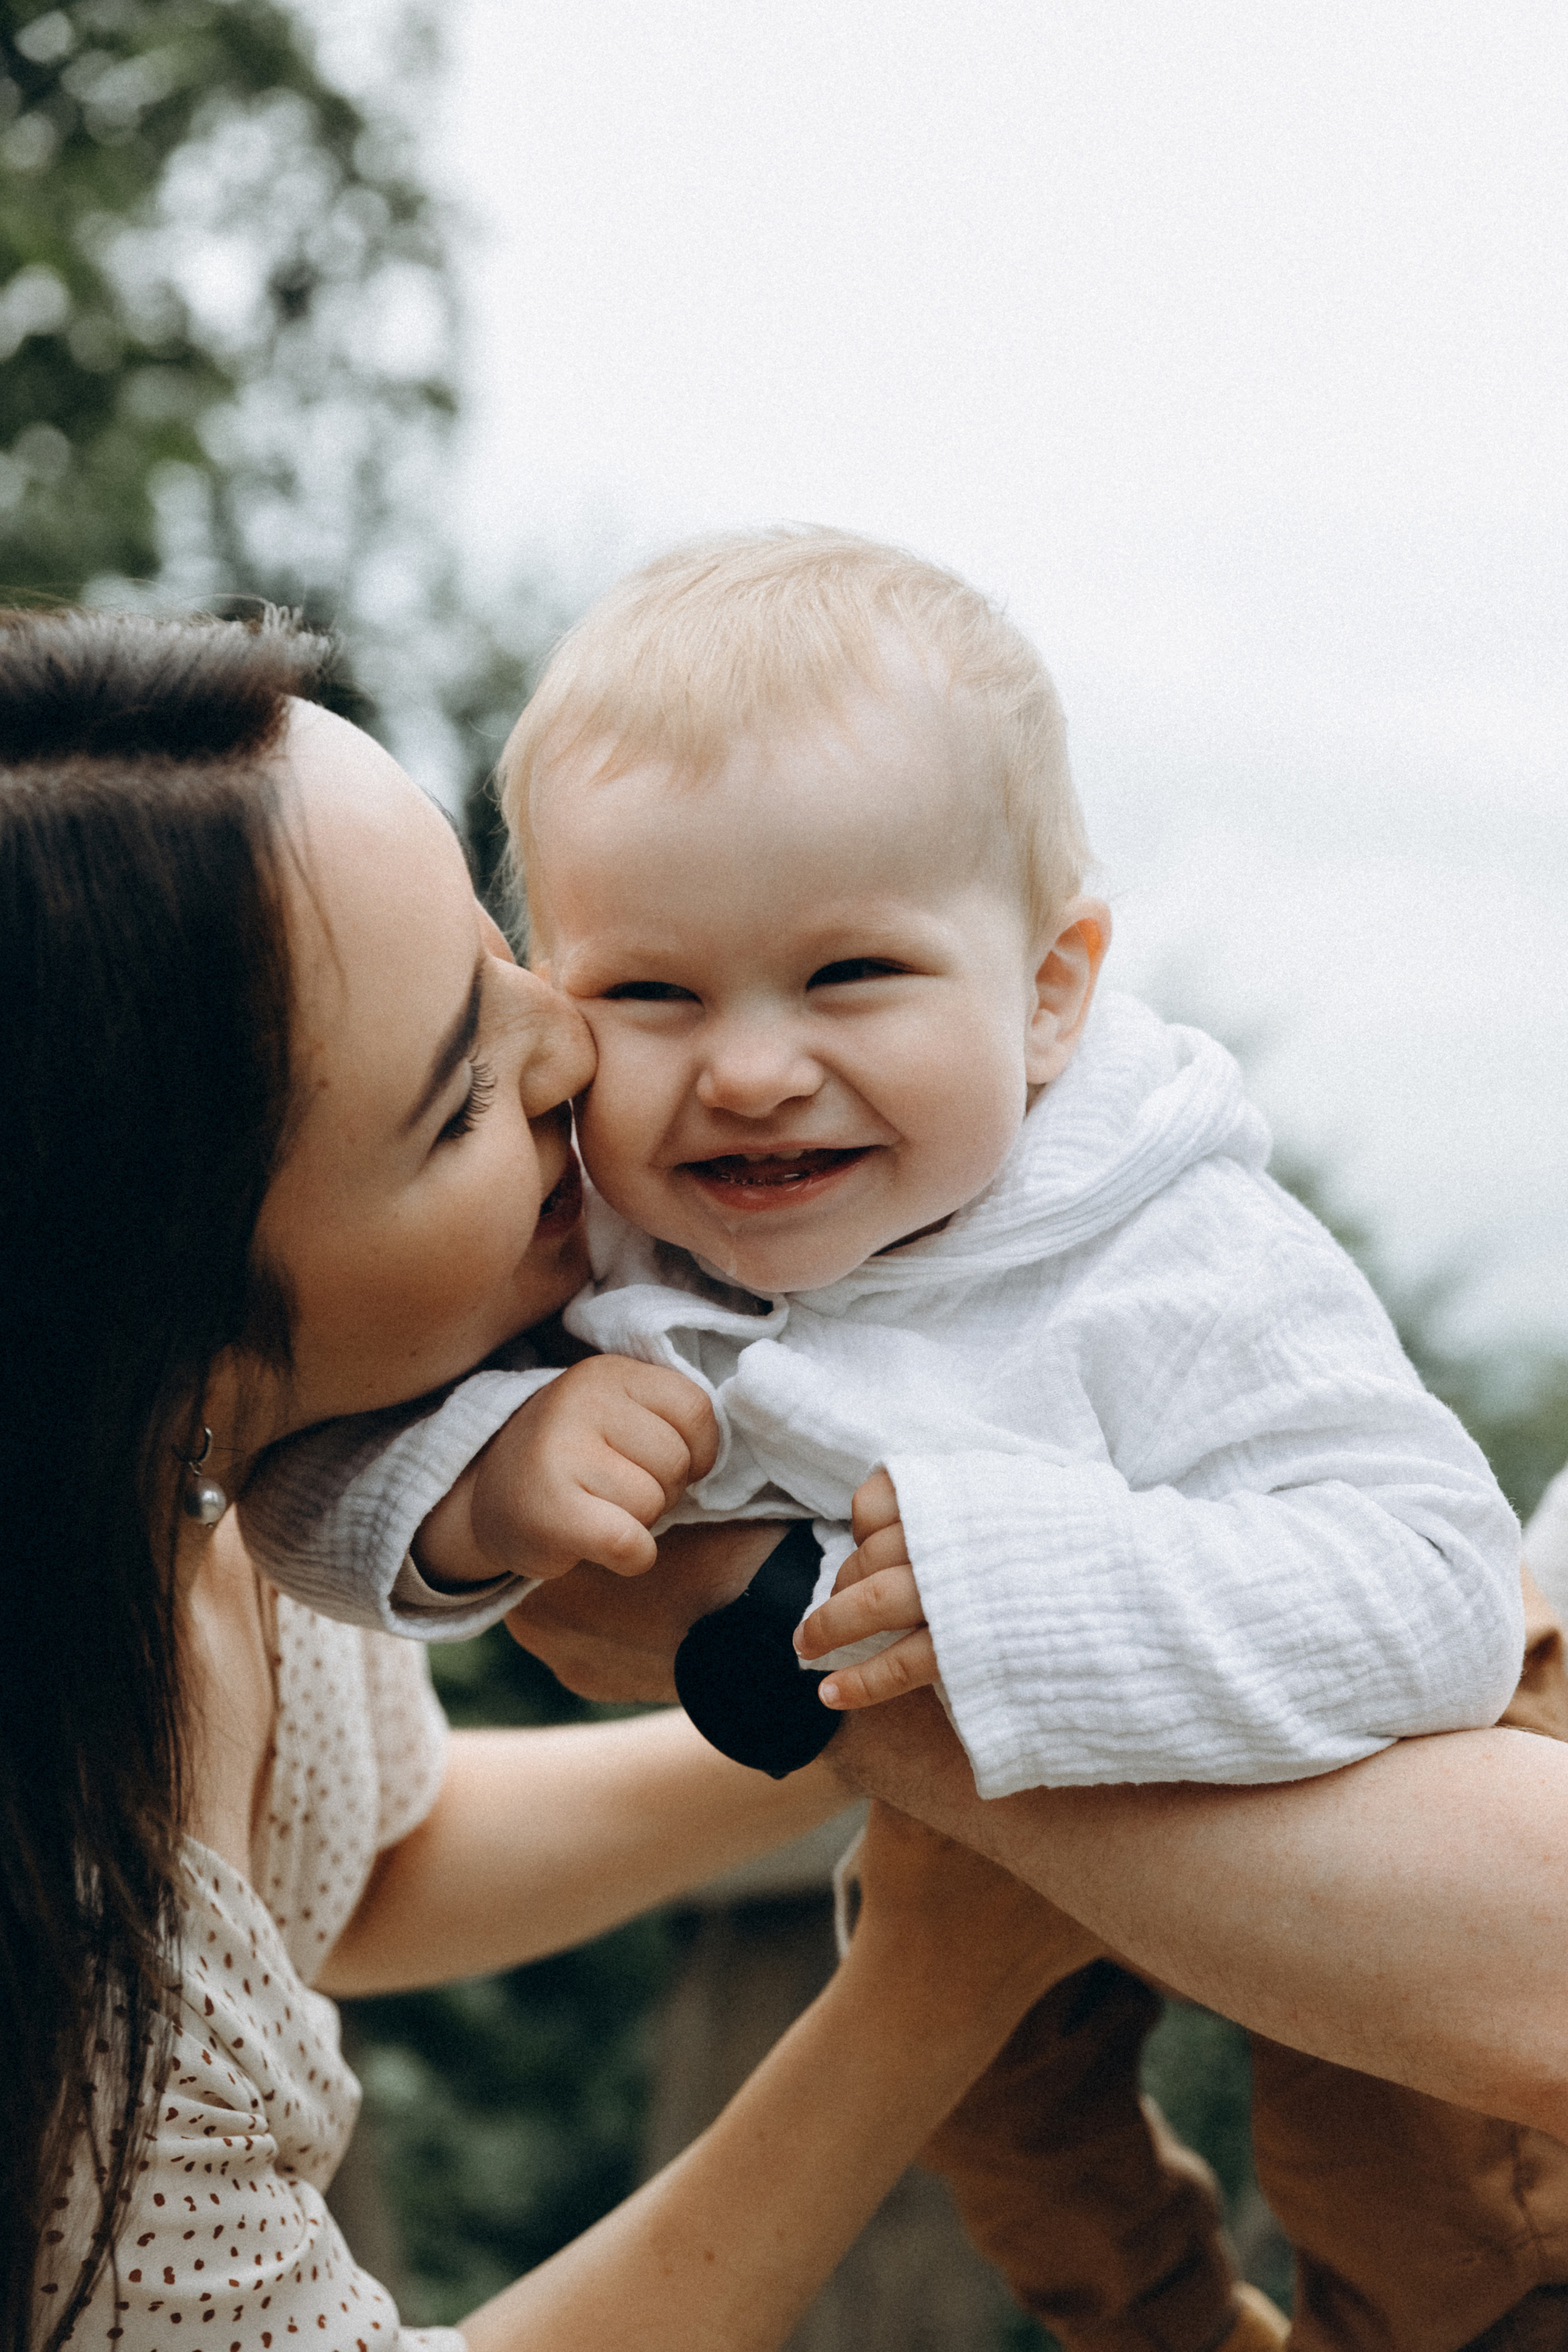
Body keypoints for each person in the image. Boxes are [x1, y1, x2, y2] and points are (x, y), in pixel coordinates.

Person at [241, 531, 1552, 2348]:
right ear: (555, 998)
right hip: (982, 1817)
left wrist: (1022, 1586)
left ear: (1050, 990)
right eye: (652, 994)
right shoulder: (610, 1223)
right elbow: (288, 1484)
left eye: (851, 973)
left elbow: (1439, 1594)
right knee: (1015, 2143)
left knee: (1402, 2187)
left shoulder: (1165, 1249)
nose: (750, 1069)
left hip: (1349, 1776)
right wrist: (486, 1479)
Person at [0, 606, 1095, 2352]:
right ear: (166, 1339)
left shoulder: (213, 1485)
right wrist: (928, 1993)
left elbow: (377, 1859)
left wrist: (880, 1707)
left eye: (502, 951)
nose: (573, 1050)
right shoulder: (62, 1976)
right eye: (461, 1102)